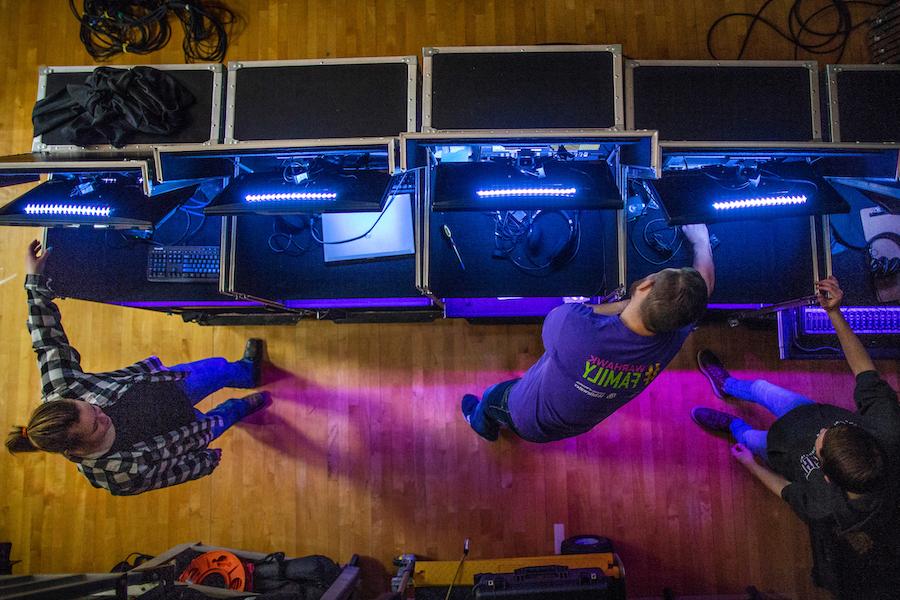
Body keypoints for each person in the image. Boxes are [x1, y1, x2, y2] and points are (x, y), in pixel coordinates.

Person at [5, 240, 271, 496]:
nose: (103, 415)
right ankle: (245, 406)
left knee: (219, 368)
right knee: (224, 416)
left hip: (172, 385)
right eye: (96, 427)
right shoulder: (115, 476)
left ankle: (247, 373)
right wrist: (204, 463)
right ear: (75, 450)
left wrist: (34, 283)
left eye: (92, 408)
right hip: (190, 432)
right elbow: (168, 475)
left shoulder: (63, 390)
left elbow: (48, 341)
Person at [691, 275, 900, 597]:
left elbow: (785, 488)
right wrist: (834, 313)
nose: (822, 430)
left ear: (826, 476)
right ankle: (727, 386)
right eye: (833, 428)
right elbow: (865, 370)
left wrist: (750, 465)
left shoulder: (824, 507)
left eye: (820, 442)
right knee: (762, 389)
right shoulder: (888, 428)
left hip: (778, 449)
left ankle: (733, 425)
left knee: (750, 439)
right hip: (803, 411)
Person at [462, 224, 715, 443]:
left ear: (646, 285)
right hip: (577, 423)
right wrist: (702, 243)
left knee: (492, 396)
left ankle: (481, 424)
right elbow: (703, 287)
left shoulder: (575, 329)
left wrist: (625, 303)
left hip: (525, 414)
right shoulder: (675, 332)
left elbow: (575, 310)